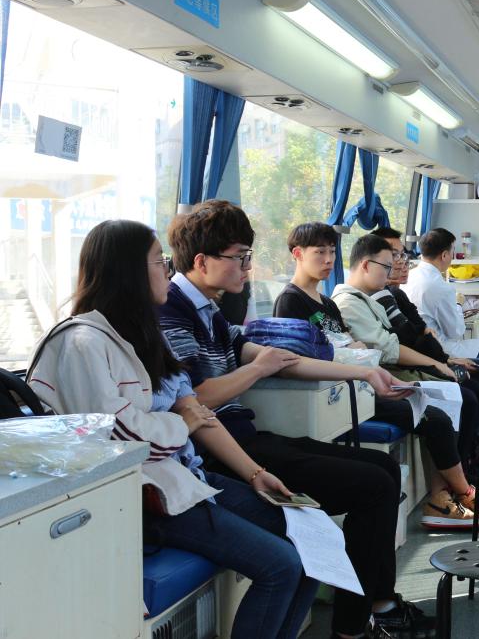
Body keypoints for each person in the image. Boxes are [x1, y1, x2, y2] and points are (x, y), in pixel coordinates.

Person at [27, 220, 318, 639]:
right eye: (159, 262)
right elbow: (116, 438)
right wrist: (181, 423)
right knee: (282, 565)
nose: (168, 270)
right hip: (144, 497)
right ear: (128, 271)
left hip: (182, 476)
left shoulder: (145, 335)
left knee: (311, 542)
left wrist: (255, 473)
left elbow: (191, 408)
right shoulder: (82, 343)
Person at [158, 201, 433, 639]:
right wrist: (257, 369)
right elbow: (195, 400)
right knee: (373, 485)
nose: (248, 268)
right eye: (240, 258)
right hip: (219, 451)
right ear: (202, 261)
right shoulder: (171, 312)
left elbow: (280, 360)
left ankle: (373, 607)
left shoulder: (210, 310)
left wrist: (363, 373)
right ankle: (357, 622)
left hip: (245, 434)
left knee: (383, 468)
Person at [332, 233, 479, 528]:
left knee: (467, 390)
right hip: (378, 381)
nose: (395, 269)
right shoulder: (350, 302)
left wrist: (440, 360)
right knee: (462, 397)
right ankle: (456, 491)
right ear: (365, 265)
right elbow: (391, 347)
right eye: (388, 264)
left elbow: (406, 334)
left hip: (389, 372)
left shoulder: (374, 298)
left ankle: (453, 487)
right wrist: (438, 363)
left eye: (399, 259)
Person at [371, 227, 479, 447]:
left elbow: (419, 330)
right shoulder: (373, 298)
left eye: (402, 255)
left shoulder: (398, 291)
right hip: (417, 361)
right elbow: (451, 332)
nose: (401, 263)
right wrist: (443, 362)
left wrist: (444, 358)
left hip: (431, 353)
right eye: (394, 256)